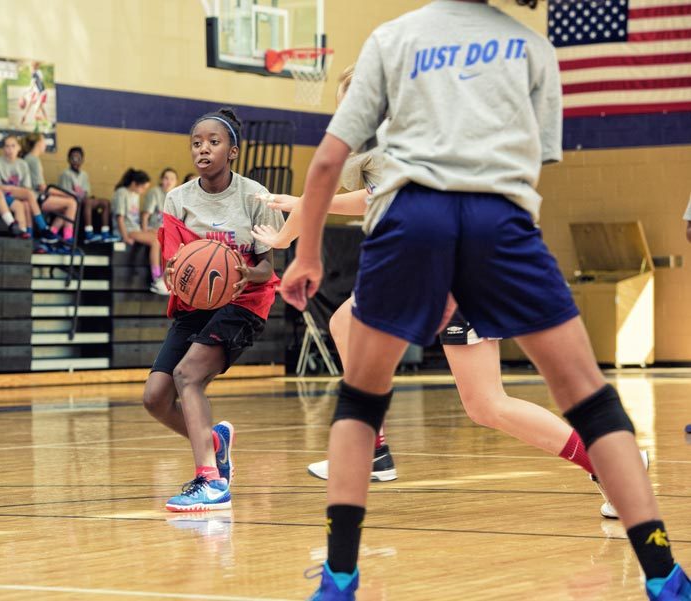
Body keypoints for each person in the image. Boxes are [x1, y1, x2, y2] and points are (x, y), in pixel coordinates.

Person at [278, 2, 690, 599]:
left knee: (362, 399)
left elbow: (325, 163)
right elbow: (530, 164)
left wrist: (308, 252)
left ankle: (339, 579)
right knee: (589, 400)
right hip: (498, 224)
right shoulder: (531, 48)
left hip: (415, 228)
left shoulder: (393, 38)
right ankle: (664, 574)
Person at [143, 107, 285, 511]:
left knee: (188, 376)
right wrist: (174, 268)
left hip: (244, 301)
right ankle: (216, 441)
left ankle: (211, 480)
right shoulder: (177, 199)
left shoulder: (256, 197)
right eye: (197, 143)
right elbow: (177, 266)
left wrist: (244, 272)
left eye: (213, 142)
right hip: (196, 305)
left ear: (233, 151)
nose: (203, 149)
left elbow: (266, 268)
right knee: (155, 397)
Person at [0, 134, 60, 249]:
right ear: (3, 149)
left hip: (17, 193)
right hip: (3, 194)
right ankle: (43, 227)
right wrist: (14, 189)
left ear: (19, 148)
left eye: (13, 146)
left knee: (27, 203)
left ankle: (28, 236)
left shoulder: (22, 164)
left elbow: (27, 187)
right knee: (28, 195)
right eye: (7, 146)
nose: (9, 149)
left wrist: (13, 189)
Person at [111, 168, 168, 294]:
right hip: (125, 229)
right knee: (155, 241)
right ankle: (156, 278)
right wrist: (125, 236)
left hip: (134, 228)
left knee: (159, 235)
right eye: (143, 188)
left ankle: (165, 276)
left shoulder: (135, 194)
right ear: (134, 184)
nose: (143, 192)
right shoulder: (121, 193)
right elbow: (119, 217)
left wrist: (146, 230)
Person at [21, 133, 78, 243]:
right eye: (44, 141)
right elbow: (42, 187)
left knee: (66, 209)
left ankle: (51, 233)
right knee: (72, 203)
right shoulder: (33, 160)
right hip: (36, 198)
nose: (45, 144)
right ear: (38, 143)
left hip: (35, 196)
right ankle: (68, 238)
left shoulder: (30, 158)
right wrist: (67, 194)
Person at [57, 146, 116, 243]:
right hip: (72, 201)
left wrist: (88, 197)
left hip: (83, 199)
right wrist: (81, 197)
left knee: (105, 202)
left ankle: (105, 232)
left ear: (82, 160)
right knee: (88, 202)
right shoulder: (65, 174)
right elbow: (65, 193)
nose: (76, 161)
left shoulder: (84, 174)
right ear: (68, 159)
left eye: (78, 158)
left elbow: (86, 191)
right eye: (73, 158)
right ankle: (89, 233)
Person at [142, 167, 178, 233]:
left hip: (169, 231)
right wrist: (145, 234)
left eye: (172, 179)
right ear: (161, 180)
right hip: (154, 229)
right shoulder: (154, 192)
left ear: (176, 182)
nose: (169, 181)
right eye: (166, 178)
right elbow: (145, 216)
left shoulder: (177, 195)